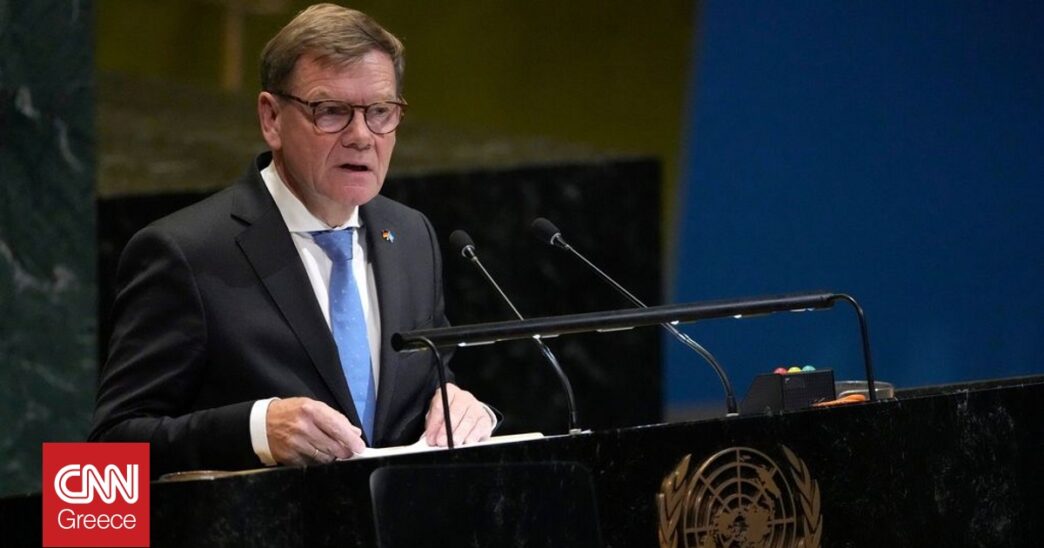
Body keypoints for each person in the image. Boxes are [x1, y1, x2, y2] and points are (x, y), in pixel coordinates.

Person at [90, 3, 494, 477]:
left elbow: (428, 383)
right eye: (331, 112)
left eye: (380, 112)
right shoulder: (185, 252)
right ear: (271, 119)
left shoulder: (410, 235)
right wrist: (256, 431)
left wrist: (458, 406)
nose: (362, 136)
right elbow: (106, 452)